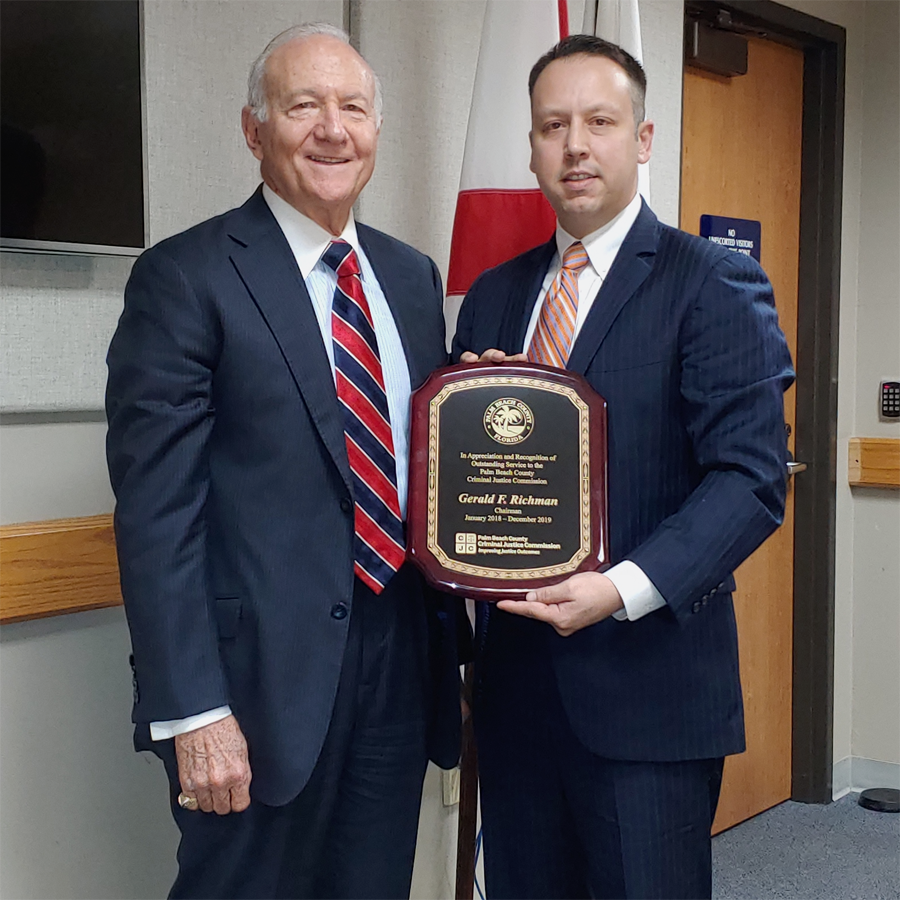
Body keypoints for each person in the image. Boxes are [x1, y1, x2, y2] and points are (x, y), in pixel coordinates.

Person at [106, 23, 464, 900]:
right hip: (253, 688)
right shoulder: (184, 278)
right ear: (253, 127)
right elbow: (158, 515)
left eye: (353, 107)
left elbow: (423, 471)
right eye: (303, 105)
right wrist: (195, 711)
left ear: (377, 130)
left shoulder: (412, 278)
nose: (332, 129)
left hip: (399, 660)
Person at [452, 34, 794, 900]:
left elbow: (750, 479)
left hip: (650, 695)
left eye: (599, 121)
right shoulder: (494, 294)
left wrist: (622, 587)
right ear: (530, 147)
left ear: (641, 139)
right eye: (552, 126)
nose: (575, 145)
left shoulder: (711, 282)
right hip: (516, 695)